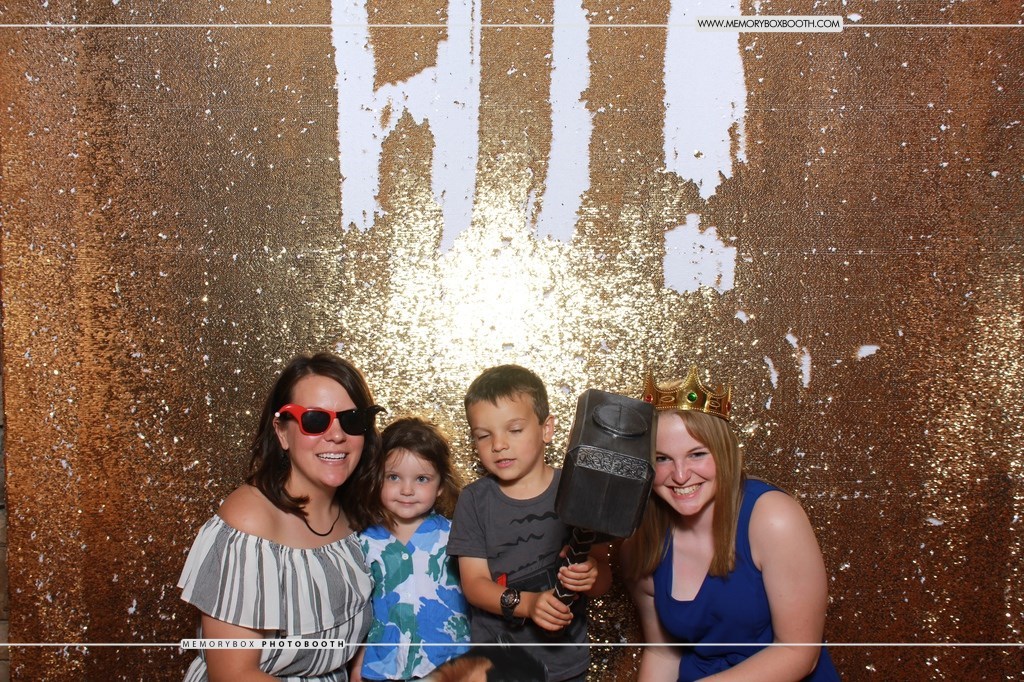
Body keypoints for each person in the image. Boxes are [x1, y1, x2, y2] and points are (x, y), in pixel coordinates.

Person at [620, 367, 839, 681]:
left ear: (723, 453)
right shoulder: (641, 541)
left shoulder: (773, 518)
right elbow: (663, 653)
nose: (680, 475)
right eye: (662, 458)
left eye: (697, 454)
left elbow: (798, 652)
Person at [178, 352, 383, 681]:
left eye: (352, 420)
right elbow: (233, 675)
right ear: (282, 432)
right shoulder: (250, 522)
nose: (337, 435)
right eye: (314, 420)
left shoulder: (357, 515)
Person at [447, 364, 613, 682]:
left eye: (514, 430)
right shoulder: (474, 500)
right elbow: (474, 585)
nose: (498, 444)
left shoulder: (581, 492)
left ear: (546, 429)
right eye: (484, 435)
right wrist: (528, 604)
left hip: (567, 668)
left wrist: (590, 573)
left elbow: (603, 578)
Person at [350, 416, 471, 681]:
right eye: (393, 477)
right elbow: (361, 611)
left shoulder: (457, 536)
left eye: (421, 479)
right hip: (384, 669)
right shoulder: (363, 542)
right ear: (377, 478)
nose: (407, 490)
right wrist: (358, 665)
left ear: (440, 486)